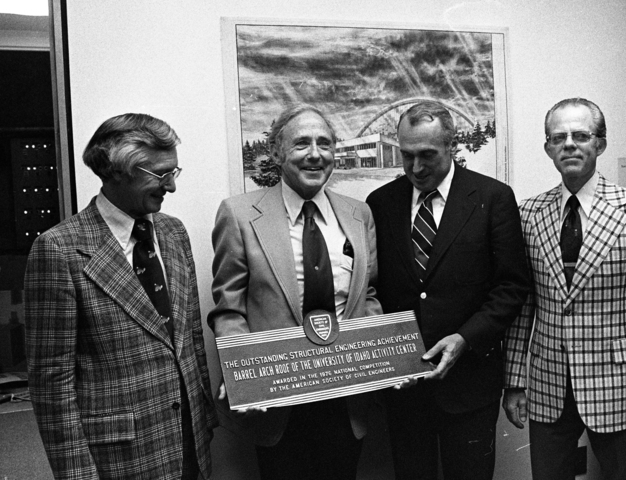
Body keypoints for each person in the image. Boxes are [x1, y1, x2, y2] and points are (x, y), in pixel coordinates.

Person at [24, 113, 218, 479]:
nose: (172, 187)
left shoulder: (173, 233)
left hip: (191, 444)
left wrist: (205, 418)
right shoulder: (59, 249)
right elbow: (52, 382)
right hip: (119, 458)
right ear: (116, 171)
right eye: (161, 175)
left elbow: (190, 337)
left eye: (174, 172)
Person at [503, 98, 626, 480]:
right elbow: (523, 306)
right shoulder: (529, 213)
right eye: (558, 137)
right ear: (548, 147)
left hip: (622, 387)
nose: (569, 144)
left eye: (580, 135)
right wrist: (514, 381)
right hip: (550, 385)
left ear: (599, 144)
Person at [208, 104, 382, 480]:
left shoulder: (358, 214)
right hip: (276, 401)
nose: (315, 154)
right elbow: (229, 310)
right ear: (276, 152)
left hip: (346, 397)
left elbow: (368, 295)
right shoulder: (239, 214)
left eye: (325, 143)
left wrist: (382, 355)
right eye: (301, 143)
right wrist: (244, 375)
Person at [366, 101, 529, 480]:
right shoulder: (381, 203)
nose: (416, 168)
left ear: (452, 146)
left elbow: (512, 285)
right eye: (407, 156)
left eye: (427, 155)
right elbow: (373, 287)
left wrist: (465, 338)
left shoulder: (493, 198)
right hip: (404, 389)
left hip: (470, 386)